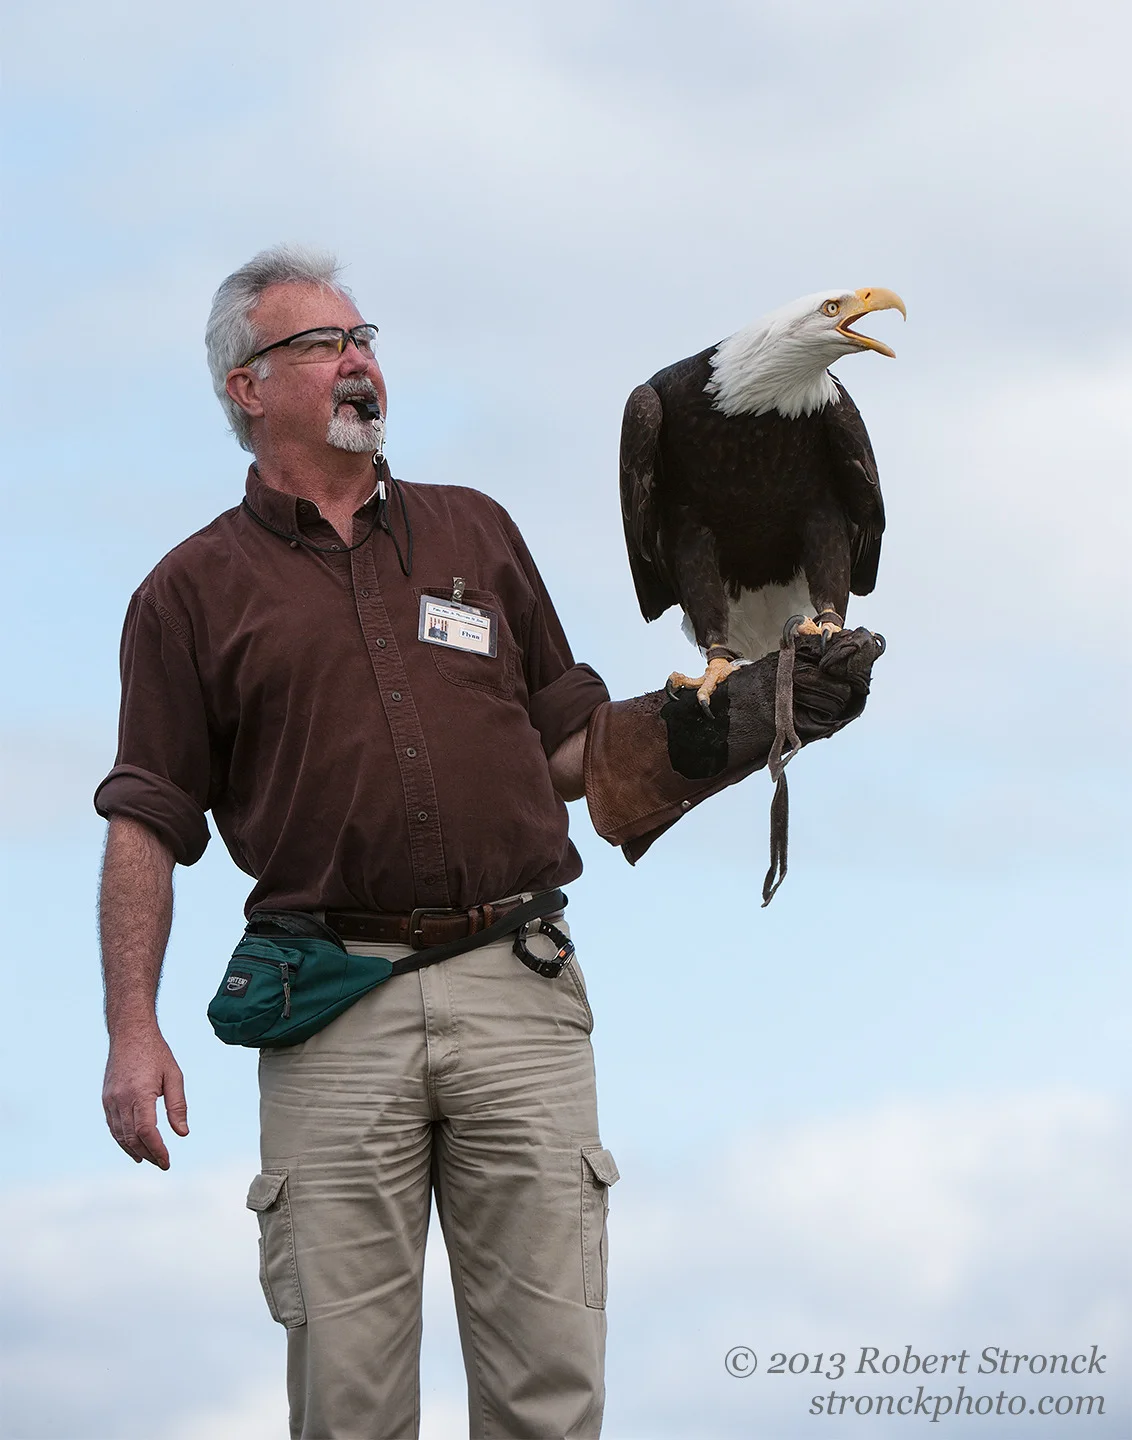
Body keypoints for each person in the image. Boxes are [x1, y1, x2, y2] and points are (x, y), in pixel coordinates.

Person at [95, 245, 882, 1440]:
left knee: (550, 1395)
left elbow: (574, 752)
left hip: (518, 993)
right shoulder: (190, 592)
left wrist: (731, 727)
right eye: (323, 346)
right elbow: (146, 817)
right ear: (247, 388)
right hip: (330, 1008)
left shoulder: (477, 533)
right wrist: (132, 1027)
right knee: (349, 1403)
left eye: (367, 342)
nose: (360, 363)